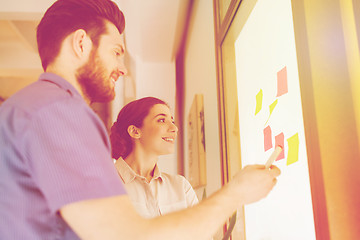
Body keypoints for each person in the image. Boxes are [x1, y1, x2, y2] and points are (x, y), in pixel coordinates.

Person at [0, 0, 280, 239]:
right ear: (81, 43)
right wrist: (237, 193)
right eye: (116, 52)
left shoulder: (30, 108)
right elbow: (127, 235)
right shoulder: (59, 111)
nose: (122, 68)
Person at [110, 97, 198, 218]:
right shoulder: (104, 184)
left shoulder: (181, 187)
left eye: (172, 121)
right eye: (162, 120)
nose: (174, 128)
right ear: (135, 131)